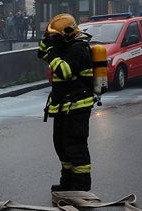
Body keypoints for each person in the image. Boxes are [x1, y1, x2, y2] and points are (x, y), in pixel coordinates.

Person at [37, 13, 95, 192]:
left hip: (77, 108)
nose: (53, 40)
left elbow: (65, 71)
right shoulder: (64, 48)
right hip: (64, 107)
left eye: (55, 36)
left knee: (76, 148)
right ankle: (67, 184)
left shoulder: (78, 49)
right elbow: (41, 54)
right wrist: (47, 42)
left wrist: (52, 52)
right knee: (62, 147)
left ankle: (81, 189)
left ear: (67, 34)